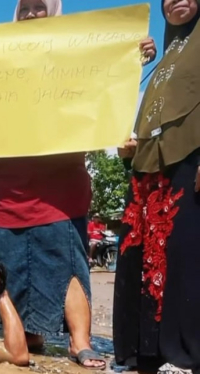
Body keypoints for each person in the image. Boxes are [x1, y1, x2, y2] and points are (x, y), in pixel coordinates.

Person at [0, 0, 157, 369]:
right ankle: (29, 336)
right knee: (5, 268)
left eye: (40, 8)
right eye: (26, 8)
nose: (32, 15)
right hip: (4, 190)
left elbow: (107, 78)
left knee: (67, 265)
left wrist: (133, 55)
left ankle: (81, 342)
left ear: (54, 13)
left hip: (61, 186)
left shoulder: (76, 53)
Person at [114, 0, 200, 373]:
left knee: (183, 258)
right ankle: (144, 352)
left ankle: (184, 356)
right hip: (148, 165)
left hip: (190, 158)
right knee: (139, 255)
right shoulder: (165, 56)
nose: (174, 0)